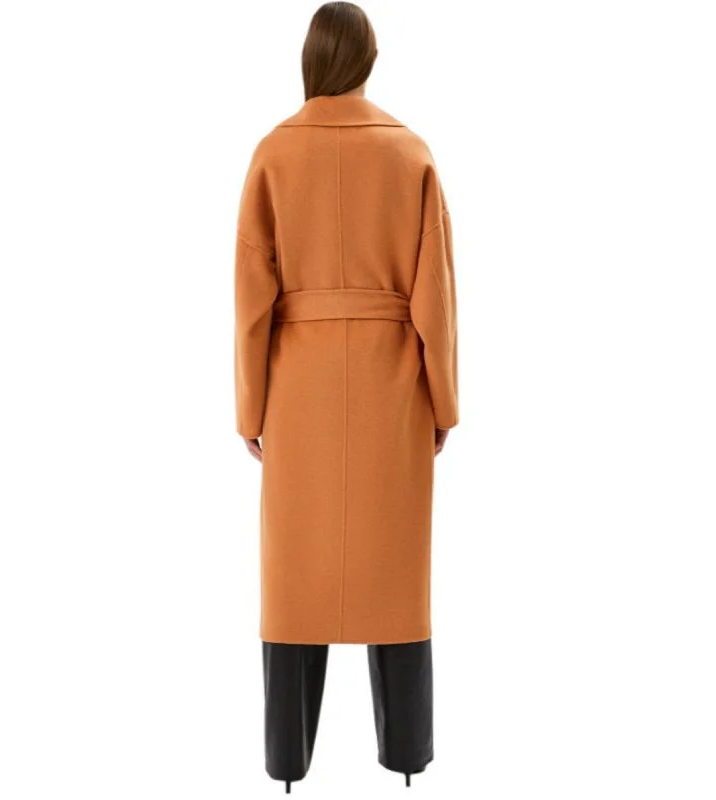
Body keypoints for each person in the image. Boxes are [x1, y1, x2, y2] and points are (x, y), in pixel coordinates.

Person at [233, 2, 459, 791]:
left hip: (298, 391)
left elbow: (251, 301)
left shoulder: (273, 153)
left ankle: (287, 764)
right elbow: (435, 297)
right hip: (392, 387)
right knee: (395, 576)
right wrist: (443, 403)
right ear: (368, 59)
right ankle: (407, 759)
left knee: (295, 577)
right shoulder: (410, 153)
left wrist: (250, 409)